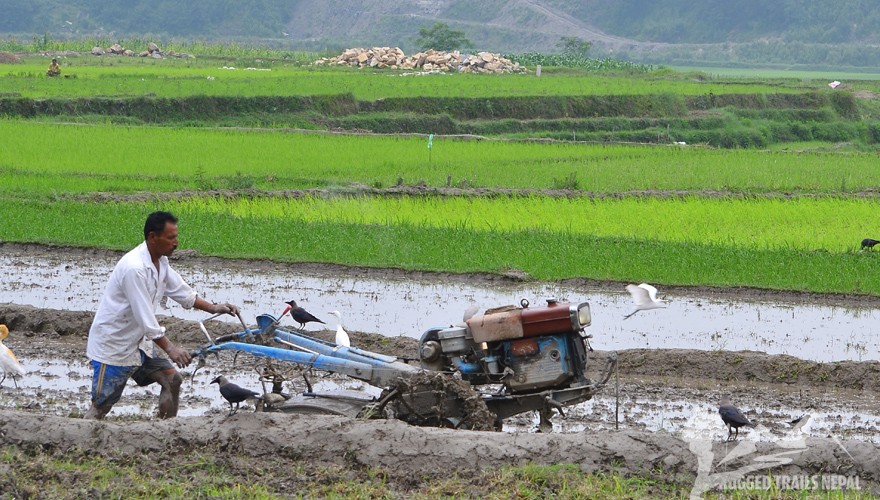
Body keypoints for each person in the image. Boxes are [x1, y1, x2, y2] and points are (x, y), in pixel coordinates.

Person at [85, 211, 240, 420]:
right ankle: (84, 440)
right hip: (114, 346)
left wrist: (214, 308)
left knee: (173, 380)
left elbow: (183, 293)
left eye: (176, 237)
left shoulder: (161, 262)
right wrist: (171, 349)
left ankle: (165, 431)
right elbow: (146, 319)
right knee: (101, 406)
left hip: (138, 345)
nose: (176, 243)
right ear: (152, 237)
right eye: (170, 238)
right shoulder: (134, 269)